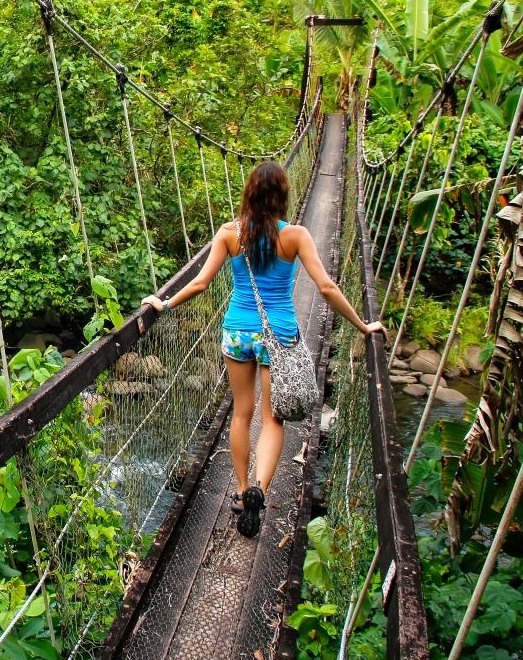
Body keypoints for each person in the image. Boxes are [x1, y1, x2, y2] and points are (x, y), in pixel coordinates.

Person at [141, 161, 385, 538]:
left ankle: (240, 491)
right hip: (280, 336)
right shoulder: (297, 236)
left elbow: (202, 283)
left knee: (242, 413)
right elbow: (326, 288)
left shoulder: (228, 233)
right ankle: (261, 489)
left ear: (249, 193)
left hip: (238, 333)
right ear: (284, 195)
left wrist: (164, 302)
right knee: (272, 419)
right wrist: (362, 325)